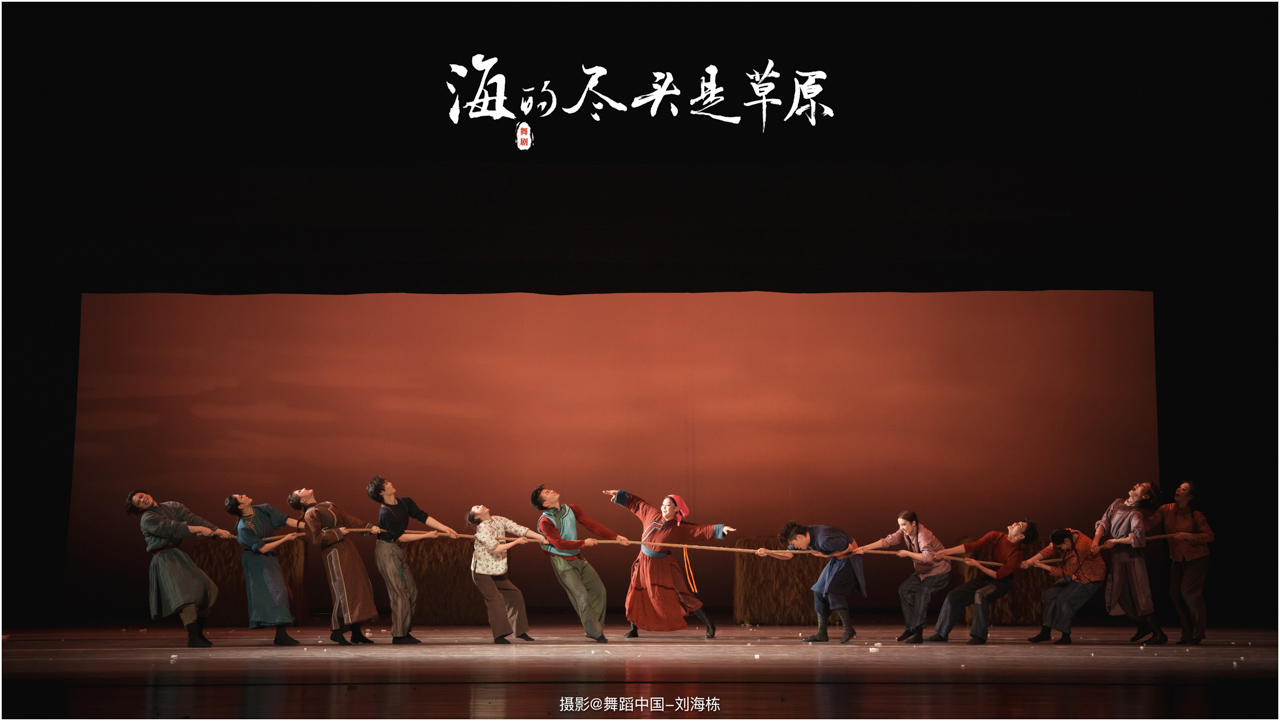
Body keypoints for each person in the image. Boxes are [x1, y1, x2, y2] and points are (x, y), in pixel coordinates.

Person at [605, 489, 736, 639]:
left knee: (684, 595)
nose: (663, 507)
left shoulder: (679, 528)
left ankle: (709, 624)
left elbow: (699, 531)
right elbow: (638, 504)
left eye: (667, 505)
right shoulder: (651, 514)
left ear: (676, 509)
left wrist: (720, 529)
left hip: (664, 565)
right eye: (663, 504)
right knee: (635, 593)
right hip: (644, 562)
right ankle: (633, 628)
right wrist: (620, 496)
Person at [127, 490, 231, 648]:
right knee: (186, 596)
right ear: (139, 509)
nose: (143, 499)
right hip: (164, 558)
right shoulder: (148, 519)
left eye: (141, 496)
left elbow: (192, 519)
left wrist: (216, 531)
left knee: (209, 590)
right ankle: (193, 636)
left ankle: (199, 633)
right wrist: (198, 529)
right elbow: (172, 528)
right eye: (139, 502)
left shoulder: (172, 506)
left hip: (177, 555)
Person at [530, 485, 630, 643]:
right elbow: (559, 544)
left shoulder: (571, 509)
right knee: (581, 596)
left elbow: (591, 524)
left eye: (549, 489)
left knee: (599, 591)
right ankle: (596, 632)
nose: (551, 490)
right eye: (546, 493)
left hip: (577, 557)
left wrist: (615, 536)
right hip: (562, 561)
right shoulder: (545, 521)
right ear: (546, 504)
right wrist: (584, 543)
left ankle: (594, 629)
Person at [366, 476, 459, 645]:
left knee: (411, 591)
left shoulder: (405, 502)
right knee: (399, 592)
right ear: (381, 492)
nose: (390, 483)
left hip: (397, 551)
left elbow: (423, 517)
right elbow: (401, 537)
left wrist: (446, 528)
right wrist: (427, 536)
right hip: (387, 552)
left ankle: (405, 631)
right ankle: (398, 635)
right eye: (386, 483)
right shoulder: (386, 512)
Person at [287, 488, 382, 645]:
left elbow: (348, 519)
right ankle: (337, 631)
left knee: (357, 587)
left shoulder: (327, 505)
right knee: (343, 589)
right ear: (302, 500)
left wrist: (368, 527)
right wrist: (338, 532)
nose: (303, 488)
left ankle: (356, 632)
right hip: (334, 552)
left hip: (346, 548)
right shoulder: (310, 514)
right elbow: (316, 538)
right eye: (300, 491)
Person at [924, 519, 1038, 645]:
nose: (1015, 523)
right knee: (954, 595)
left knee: (981, 594)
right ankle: (941, 633)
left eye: (1020, 525)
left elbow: (998, 575)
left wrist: (977, 565)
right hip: (987, 577)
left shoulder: (1017, 554)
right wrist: (945, 552)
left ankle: (979, 636)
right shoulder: (996, 536)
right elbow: (972, 546)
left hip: (1001, 582)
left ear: (1021, 536)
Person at [757, 521, 866, 643]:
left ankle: (848, 628)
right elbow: (788, 555)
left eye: (793, 544)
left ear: (799, 537)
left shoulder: (824, 539)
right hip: (836, 560)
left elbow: (850, 549)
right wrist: (768, 552)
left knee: (833, 590)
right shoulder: (804, 535)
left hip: (849, 559)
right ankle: (821, 633)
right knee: (818, 590)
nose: (795, 546)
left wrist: (824, 555)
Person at [852, 510, 950, 644]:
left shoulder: (923, 534)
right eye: (900, 525)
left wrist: (907, 554)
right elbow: (888, 541)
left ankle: (918, 633)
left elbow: (928, 557)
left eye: (904, 524)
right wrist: (865, 548)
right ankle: (910, 628)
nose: (901, 528)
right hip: (923, 572)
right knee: (905, 590)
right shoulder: (905, 531)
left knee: (922, 594)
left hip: (938, 571)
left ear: (913, 523)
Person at [1091, 482, 1167, 644]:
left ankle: (1158, 633)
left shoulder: (1135, 513)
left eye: (1142, 486)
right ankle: (1143, 626)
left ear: (1145, 496)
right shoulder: (1117, 503)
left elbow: (1138, 537)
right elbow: (1104, 522)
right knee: (1120, 595)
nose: (1137, 484)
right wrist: (1095, 542)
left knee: (1138, 595)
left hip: (1132, 560)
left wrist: (1115, 541)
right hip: (1118, 558)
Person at [224, 493, 304, 645]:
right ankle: (281, 634)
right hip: (256, 561)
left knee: (282, 592)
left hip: (268, 557)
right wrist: (285, 539)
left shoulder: (263, 509)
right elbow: (262, 548)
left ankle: (281, 633)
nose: (244, 495)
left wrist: (308, 526)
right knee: (276, 593)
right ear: (240, 506)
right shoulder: (243, 527)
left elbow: (285, 520)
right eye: (241, 497)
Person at [466, 504, 547, 644]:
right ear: (477, 516)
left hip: (496, 570)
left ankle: (520, 631)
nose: (481, 505)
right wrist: (516, 542)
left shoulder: (499, 520)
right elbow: (496, 548)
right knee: (495, 599)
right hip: (482, 572)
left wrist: (540, 537)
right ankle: (499, 635)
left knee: (515, 594)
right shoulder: (482, 529)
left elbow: (518, 529)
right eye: (477, 507)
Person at [1145, 482, 1212, 644]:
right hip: (1177, 559)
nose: (1178, 489)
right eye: (1179, 487)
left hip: (1196, 559)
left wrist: (1189, 535)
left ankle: (1197, 633)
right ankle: (1187, 634)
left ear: (1190, 496)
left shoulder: (1196, 515)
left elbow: (1209, 536)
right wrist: (1133, 524)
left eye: (1183, 489)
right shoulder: (1166, 509)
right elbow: (1149, 523)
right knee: (1175, 595)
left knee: (1189, 594)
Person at [1021, 528, 1107, 644]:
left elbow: (1065, 572)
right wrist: (1029, 561)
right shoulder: (1067, 534)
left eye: (1061, 546)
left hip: (1090, 577)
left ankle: (1065, 635)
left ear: (1066, 541)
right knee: (1049, 595)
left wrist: (1041, 566)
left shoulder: (1081, 547)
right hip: (1075, 574)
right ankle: (1045, 631)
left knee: (1065, 599)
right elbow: (1049, 550)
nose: (1060, 549)